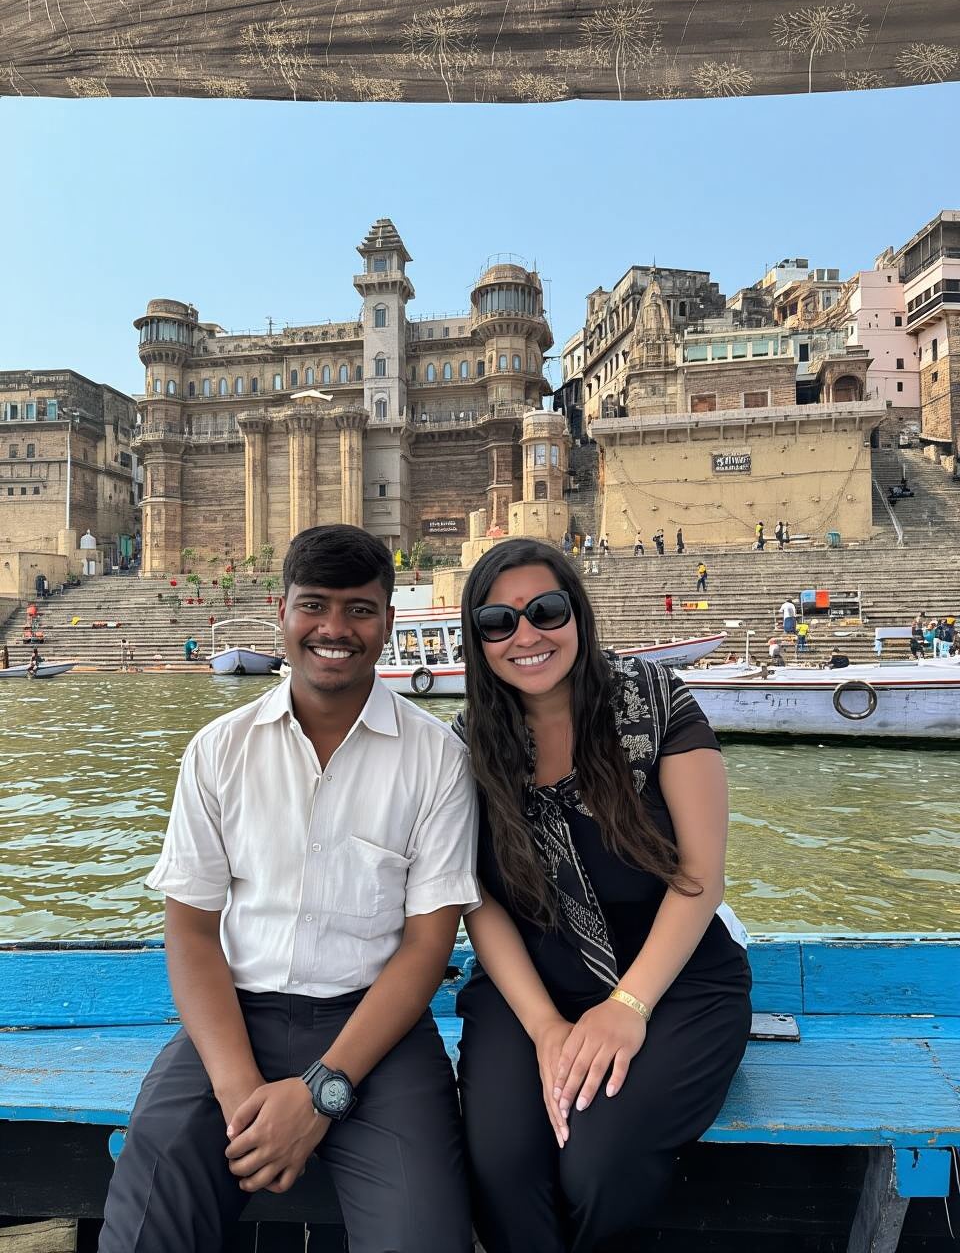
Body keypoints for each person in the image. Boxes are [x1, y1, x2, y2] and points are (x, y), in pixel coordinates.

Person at [98, 524, 479, 1253]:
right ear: (282, 611)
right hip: (235, 1021)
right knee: (146, 1228)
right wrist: (243, 1096)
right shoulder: (219, 751)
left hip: (378, 1034)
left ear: (389, 622)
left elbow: (428, 948)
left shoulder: (436, 760)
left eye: (360, 610)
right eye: (315, 605)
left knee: (421, 1238)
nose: (335, 629)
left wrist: (318, 1095)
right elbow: (192, 933)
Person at [454, 538, 751, 1253]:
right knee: (500, 1162)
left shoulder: (656, 700)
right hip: (532, 988)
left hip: (674, 983)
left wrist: (627, 1007)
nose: (525, 636)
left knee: (599, 1161)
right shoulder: (470, 743)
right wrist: (547, 1028)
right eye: (499, 622)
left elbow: (700, 877)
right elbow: (476, 901)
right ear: (479, 640)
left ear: (577, 615)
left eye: (544, 611)